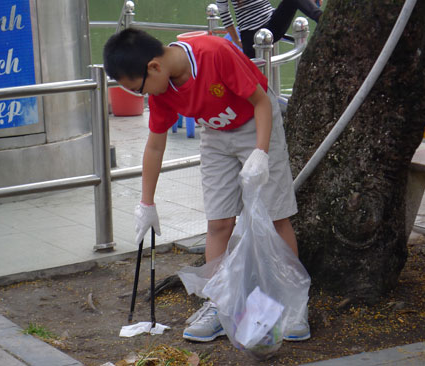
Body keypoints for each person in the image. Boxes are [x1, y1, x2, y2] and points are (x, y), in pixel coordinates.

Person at [103, 28, 310, 342]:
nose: (145, 97)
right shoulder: (162, 89)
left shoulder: (214, 53)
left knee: (275, 216)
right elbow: (155, 145)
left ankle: (293, 306)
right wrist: (147, 203)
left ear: (154, 67)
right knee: (219, 223)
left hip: (255, 121)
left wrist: (261, 153)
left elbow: (261, 102)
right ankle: (220, 305)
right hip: (214, 134)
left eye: (140, 89)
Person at [217, 0, 322, 58]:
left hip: (272, 23)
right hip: (252, 36)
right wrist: (236, 39)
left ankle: (321, 18)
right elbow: (224, 13)